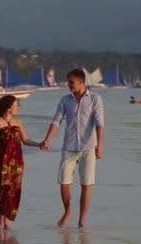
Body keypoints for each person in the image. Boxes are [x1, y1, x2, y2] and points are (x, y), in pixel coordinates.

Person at [40, 69, 105, 228]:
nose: (69, 85)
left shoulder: (95, 99)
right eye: (68, 82)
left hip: (88, 147)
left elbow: (99, 123)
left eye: (71, 83)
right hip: (69, 147)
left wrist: (100, 146)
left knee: (86, 184)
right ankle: (68, 211)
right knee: (64, 182)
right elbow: (56, 121)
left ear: (81, 82)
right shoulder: (65, 100)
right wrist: (48, 139)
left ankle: (82, 220)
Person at [0, 95, 41, 230]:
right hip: (3, 161)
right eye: (16, 105)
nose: (18, 107)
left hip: (17, 162)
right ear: (8, 107)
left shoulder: (18, 122)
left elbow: (25, 140)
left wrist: (39, 144)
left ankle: (4, 221)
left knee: (14, 190)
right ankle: (2, 220)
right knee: (4, 189)